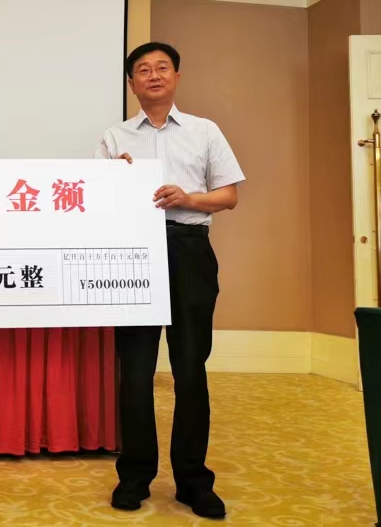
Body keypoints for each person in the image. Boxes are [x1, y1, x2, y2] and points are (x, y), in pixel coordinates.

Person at [95, 42, 244, 518]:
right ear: (131, 83)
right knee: (136, 372)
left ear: (177, 76)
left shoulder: (204, 130)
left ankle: (193, 481)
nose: (154, 75)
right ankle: (134, 477)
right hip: (133, 255)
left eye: (162, 67)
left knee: (190, 369)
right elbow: (97, 203)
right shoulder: (114, 137)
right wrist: (114, 182)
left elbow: (228, 196)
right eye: (143, 69)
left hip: (189, 250)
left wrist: (188, 198)